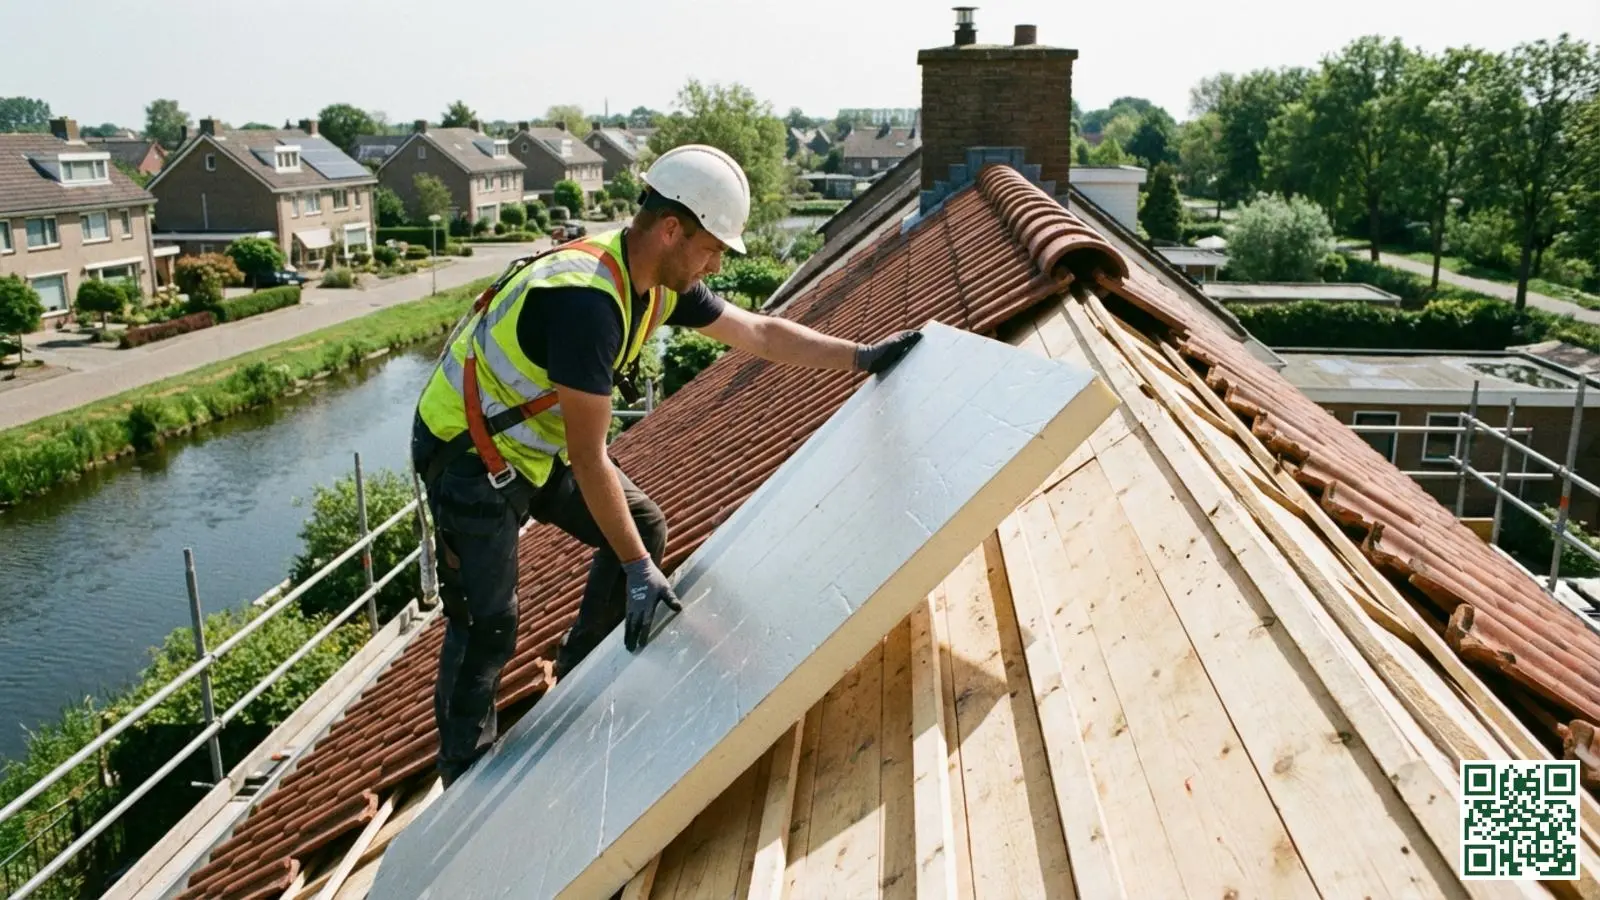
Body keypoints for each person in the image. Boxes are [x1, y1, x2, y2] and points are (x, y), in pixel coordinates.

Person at [409, 144, 922, 784]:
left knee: (643, 527)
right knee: (489, 622)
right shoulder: (586, 303)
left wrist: (862, 357)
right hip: (467, 456)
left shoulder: (649, 283)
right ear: (671, 228)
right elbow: (592, 458)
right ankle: (463, 774)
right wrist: (637, 572)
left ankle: (576, 677)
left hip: (530, 447)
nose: (712, 264)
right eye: (709, 248)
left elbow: (758, 333)